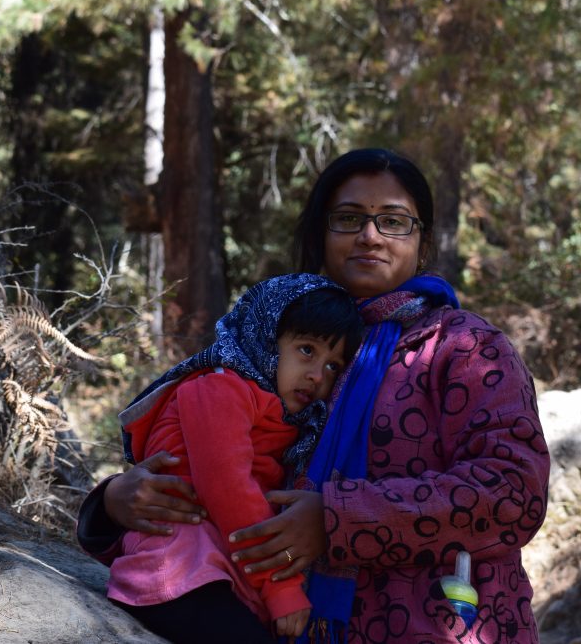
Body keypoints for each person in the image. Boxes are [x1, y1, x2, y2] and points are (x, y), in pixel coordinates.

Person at [78, 148, 551, 644]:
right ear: (320, 235)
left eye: (393, 221)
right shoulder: (276, 339)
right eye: (349, 218)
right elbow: (224, 469)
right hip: (274, 620)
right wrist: (113, 503)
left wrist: (335, 519)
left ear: (423, 243)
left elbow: (514, 492)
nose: (370, 235)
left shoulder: (464, 346)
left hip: (437, 625)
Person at [82, 273, 363, 644]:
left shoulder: (280, 411)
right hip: (179, 566)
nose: (316, 376)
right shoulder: (220, 387)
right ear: (265, 335)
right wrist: (281, 588)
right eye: (307, 350)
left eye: (332, 366)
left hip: (211, 567)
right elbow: (230, 489)